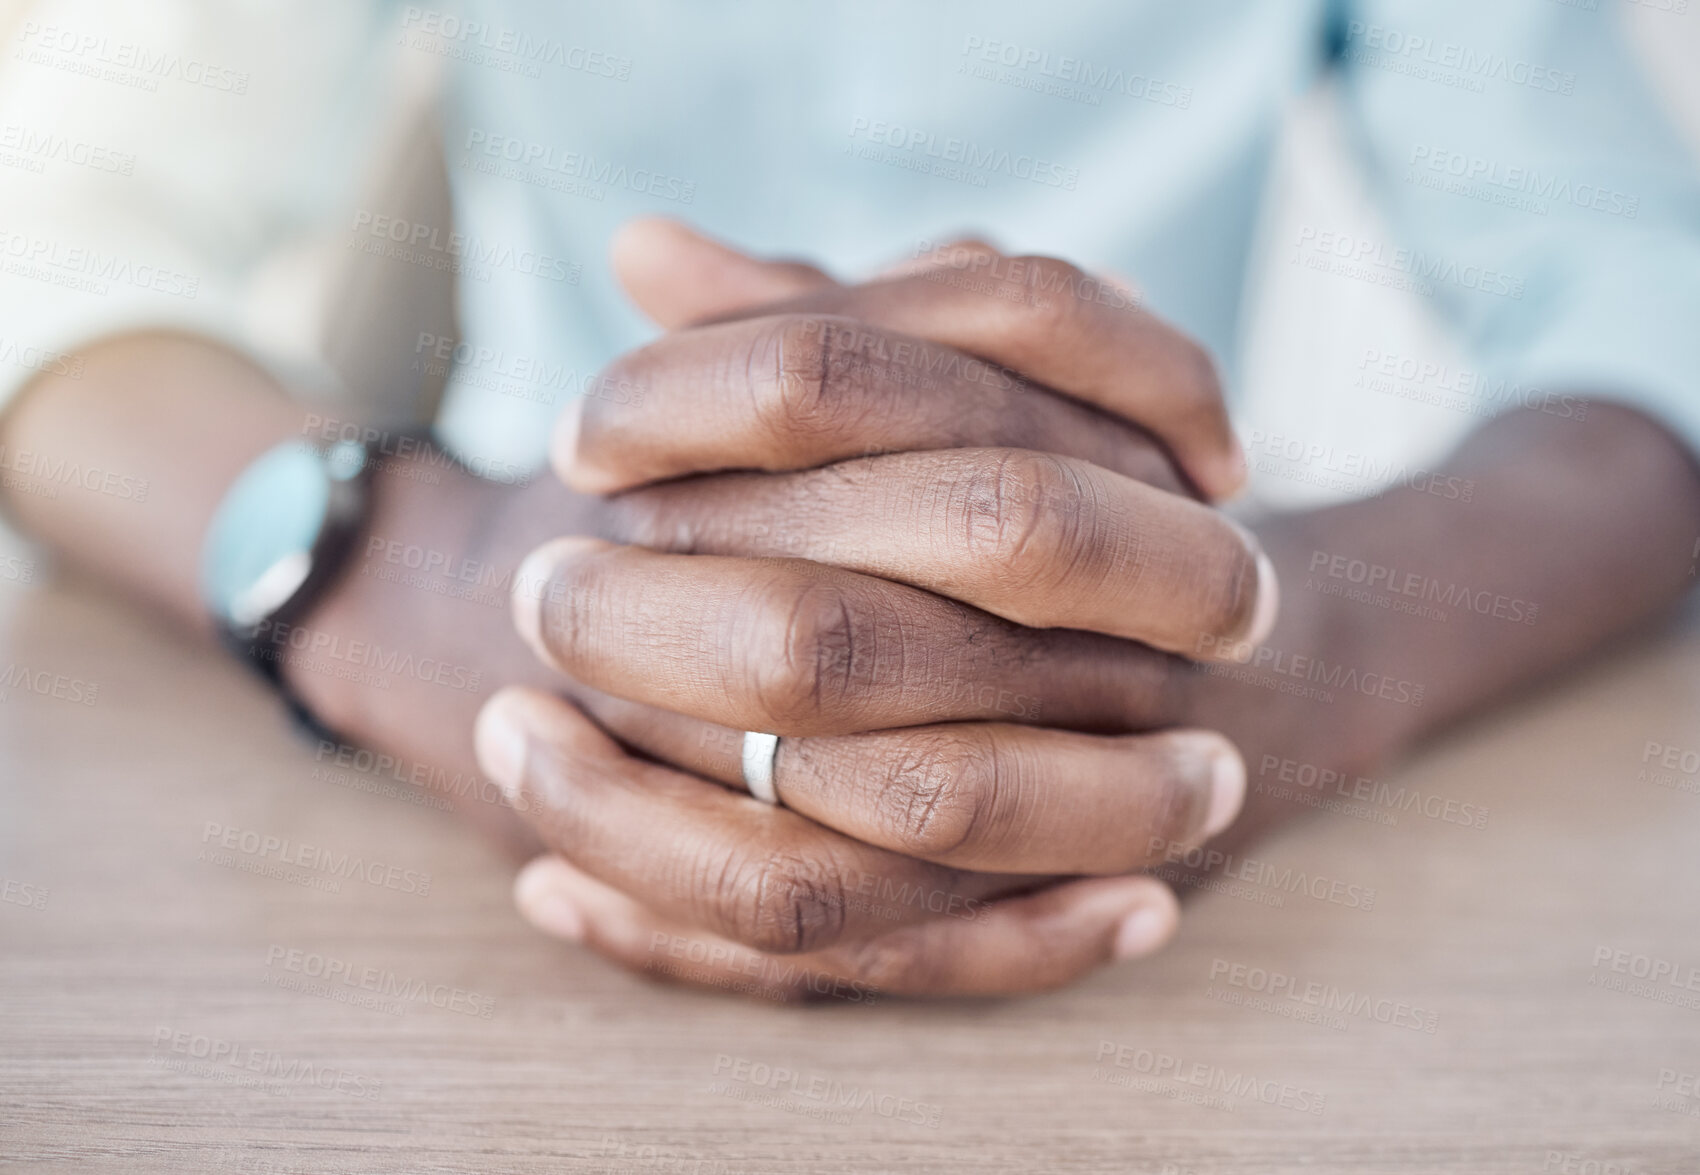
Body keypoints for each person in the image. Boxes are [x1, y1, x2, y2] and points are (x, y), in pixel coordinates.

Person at [1, 0, 1697, 1000]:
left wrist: (1291, 623)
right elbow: (53, 215)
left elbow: (1645, 289)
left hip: (1134, 648)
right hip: (516, 616)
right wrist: (400, 575)